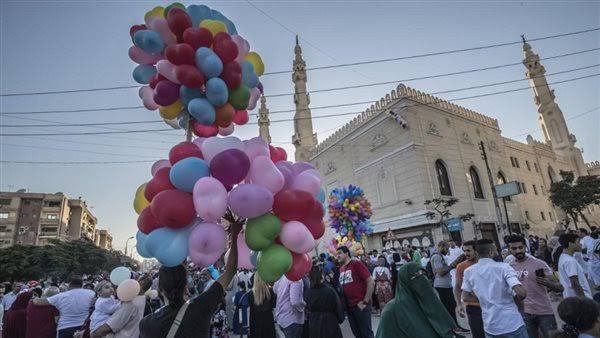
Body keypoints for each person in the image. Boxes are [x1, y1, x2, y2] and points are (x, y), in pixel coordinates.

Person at [139, 214, 243, 338]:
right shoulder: (201, 306)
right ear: (186, 286)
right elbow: (230, 270)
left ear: (160, 289)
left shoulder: (146, 324)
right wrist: (235, 235)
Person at [461, 239, 528, 338]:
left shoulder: (468, 272)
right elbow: (521, 294)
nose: (497, 252)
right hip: (512, 324)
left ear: (476, 253)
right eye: (496, 249)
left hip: (490, 327)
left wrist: (486, 298)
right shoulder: (504, 267)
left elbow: (465, 297)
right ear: (491, 252)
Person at [376, 262, 455, 338]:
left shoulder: (431, 304)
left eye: (424, 275)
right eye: (417, 276)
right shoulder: (392, 310)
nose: (423, 280)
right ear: (405, 282)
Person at [506, 235, 563, 338]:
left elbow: (560, 287)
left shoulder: (539, 264)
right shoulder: (508, 267)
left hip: (544, 311)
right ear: (509, 250)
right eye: (514, 248)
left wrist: (548, 283)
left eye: (520, 247)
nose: (518, 250)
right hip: (523, 314)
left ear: (525, 247)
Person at [337, 245, 375, 338]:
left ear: (346, 254)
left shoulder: (356, 264)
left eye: (339, 253)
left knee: (366, 334)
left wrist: (365, 301)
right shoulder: (341, 268)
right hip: (349, 307)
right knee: (357, 334)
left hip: (360, 305)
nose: (337, 256)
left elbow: (370, 281)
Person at [431, 240, 469, 335]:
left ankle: (455, 326)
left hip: (445, 285)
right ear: (441, 247)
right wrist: (454, 264)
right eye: (446, 248)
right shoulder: (437, 256)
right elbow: (440, 272)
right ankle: (453, 328)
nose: (447, 251)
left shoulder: (440, 256)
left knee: (451, 306)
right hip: (441, 285)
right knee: (449, 307)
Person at [453, 240, 484, 338]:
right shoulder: (461, 266)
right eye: (464, 251)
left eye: (468, 251)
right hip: (473, 307)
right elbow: (458, 287)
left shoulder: (485, 263)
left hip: (489, 305)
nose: (466, 253)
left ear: (476, 250)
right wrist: (459, 305)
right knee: (478, 334)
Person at [304, 264, 344, 338]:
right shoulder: (330, 290)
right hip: (330, 322)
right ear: (322, 276)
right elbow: (337, 307)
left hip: (314, 322)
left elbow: (307, 308)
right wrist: (340, 318)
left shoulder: (308, 292)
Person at [557, 233, 592, 299]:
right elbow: (575, 284)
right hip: (579, 299)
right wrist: (584, 300)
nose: (581, 244)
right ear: (570, 244)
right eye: (578, 242)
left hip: (572, 298)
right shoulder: (570, 261)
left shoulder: (563, 257)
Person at [273, 274, 305, 338]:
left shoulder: (281, 276)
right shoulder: (296, 278)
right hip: (292, 319)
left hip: (281, 318)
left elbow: (275, 290)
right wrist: (304, 305)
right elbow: (295, 302)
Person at [248, 273, 276, 338]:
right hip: (268, 321)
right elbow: (273, 305)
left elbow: (251, 311)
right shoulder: (270, 292)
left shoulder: (251, 294)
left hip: (256, 322)